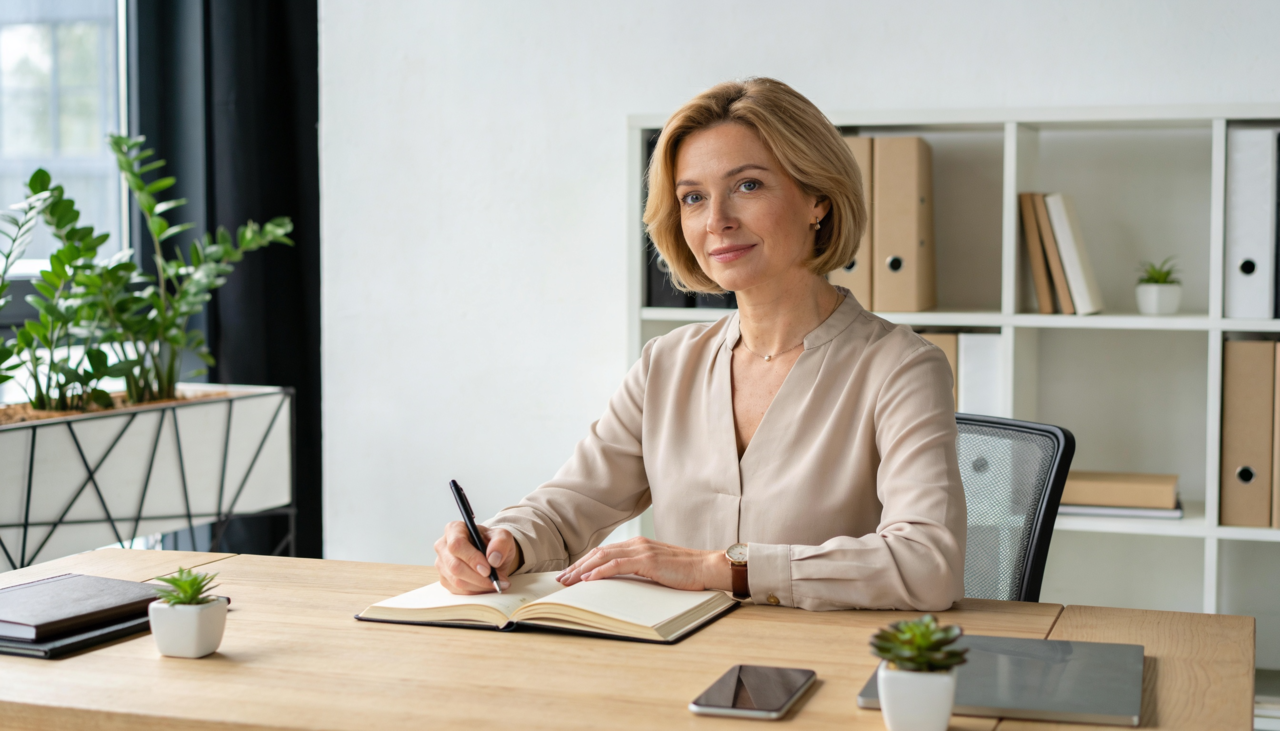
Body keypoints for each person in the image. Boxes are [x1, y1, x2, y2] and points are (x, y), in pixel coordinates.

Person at [434, 77, 965, 611]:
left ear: (818, 200)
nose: (717, 222)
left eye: (748, 186)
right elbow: (573, 502)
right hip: (675, 664)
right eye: (693, 198)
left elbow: (926, 564)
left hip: (821, 671)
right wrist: (503, 543)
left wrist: (720, 568)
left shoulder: (901, 367)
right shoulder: (667, 362)